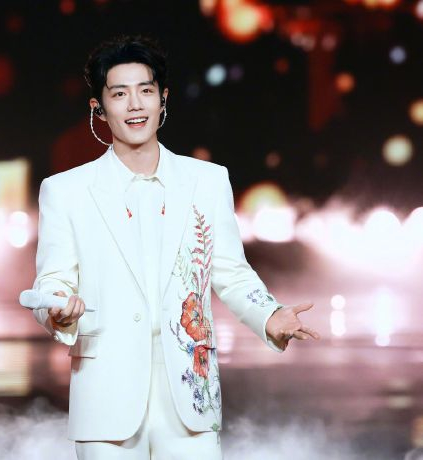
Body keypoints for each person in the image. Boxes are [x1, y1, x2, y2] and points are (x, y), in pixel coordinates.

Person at [30, 34, 320, 460]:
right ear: (99, 108)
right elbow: (52, 280)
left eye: (145, 91)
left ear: (163, 98)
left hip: (190, 394)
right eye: (119, 94)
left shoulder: (207, 181)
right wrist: (57, 310)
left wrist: (269, 315)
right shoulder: (66, 191)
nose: (135, 105)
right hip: (105, 394)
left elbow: (230, 272)